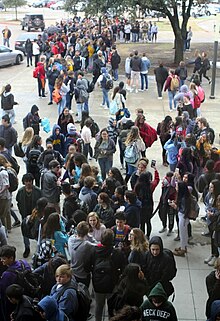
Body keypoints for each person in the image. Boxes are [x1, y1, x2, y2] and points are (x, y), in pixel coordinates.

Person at [92, 229, 126, 321]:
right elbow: (124, 267)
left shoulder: (94, 250)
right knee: (112, 306)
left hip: (98, 284)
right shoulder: (117, 253)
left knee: (99, 306)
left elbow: (87, 266)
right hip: (112, 283)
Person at [0, 245, 31, 321]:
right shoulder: (24, 263)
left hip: (12, 302)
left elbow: (2, 293)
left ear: (11, 258)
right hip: (26, 296)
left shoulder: (7, 275)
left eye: (4, 259)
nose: (1, 260)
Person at [16, 173, 42, 258]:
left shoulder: (38, 191)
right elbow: (18, 201)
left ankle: (39, 249)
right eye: (26, 181)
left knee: (37, 231)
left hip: (35, 216)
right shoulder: (20, 191)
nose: (28, 183)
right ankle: (27, 248)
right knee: (25, 232)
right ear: (24, 182)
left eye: (29, 181)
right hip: (24, 214)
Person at [68, 221, 95, 287]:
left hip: (72, 272)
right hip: (83, 274)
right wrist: (90, 237)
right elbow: (98, 245)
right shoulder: (86, 245)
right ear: (87, 232)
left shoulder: (70, 239)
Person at [170, 181, 192, 257]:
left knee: (183, 234)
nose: (176, 188)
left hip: (183, 217)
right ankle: (183, 246)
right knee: (184, 233)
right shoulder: (185, 196)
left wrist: (175, 206)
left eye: (177, 187)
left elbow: (182, 209)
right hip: (184, 217)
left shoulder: (183, 198)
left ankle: (182, 249)